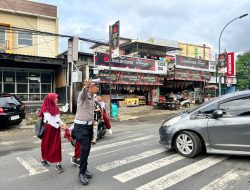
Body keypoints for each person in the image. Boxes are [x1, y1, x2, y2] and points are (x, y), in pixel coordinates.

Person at [73, 79, 99, 185]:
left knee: (86, 150)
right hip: (80, 127)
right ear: (90, 87)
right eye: (95, 86)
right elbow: (84, 92)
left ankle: (84, 168)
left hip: (88, 127)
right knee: (85, 149)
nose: (97, 88)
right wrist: (85, 87)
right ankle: (81, 172)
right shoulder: (82, 95)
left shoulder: (92, 97)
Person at [39, 93, 67, 174]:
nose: (57, 99)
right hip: (48, 128)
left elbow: (57, 118)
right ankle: (44, 159)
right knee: (46, 144)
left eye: (57, 98)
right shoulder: (46, 107)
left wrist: (62, 124)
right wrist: (60, 126)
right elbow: (50, 120)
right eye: (55, 98)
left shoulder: (56, 107)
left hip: (55, 129)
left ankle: (58, 164)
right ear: (51, 99)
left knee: (57, 145)